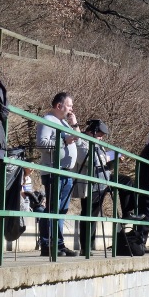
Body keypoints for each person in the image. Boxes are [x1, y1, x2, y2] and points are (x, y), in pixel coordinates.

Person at [36, 92, 81, 257]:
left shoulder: (65, 123)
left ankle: (59, 244)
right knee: (53, 208)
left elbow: (80, 141)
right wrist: (63, 141)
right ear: (59, 106)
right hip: (53, 171)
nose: (71, 108)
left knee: (61, 210)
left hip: (67, 172)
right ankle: (48, 244)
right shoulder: (48, 120)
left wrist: (74, 123)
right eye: (69, 105)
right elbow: (41, 144)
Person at [73, 119, 112, 256]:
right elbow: (88, 160)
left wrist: (113, 161)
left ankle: (128, 213)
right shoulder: (83, 141)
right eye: (100, 134)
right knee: (89, 214)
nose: (101, 138)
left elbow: (102, 163)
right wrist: (104, 158)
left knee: (94, 215)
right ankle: (86, 246)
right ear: (91, 132)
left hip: (103, 182)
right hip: (91, 184)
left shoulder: (98, 144)